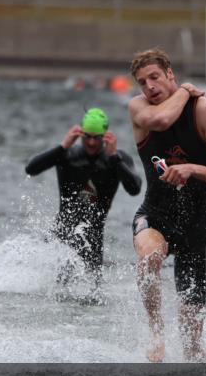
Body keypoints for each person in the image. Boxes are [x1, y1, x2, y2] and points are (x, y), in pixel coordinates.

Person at [128, 48, 206, 362]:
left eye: (155, 77)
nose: (149, 86)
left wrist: (194, 169)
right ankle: (155, 336)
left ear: (170, 75)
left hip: (197, 226)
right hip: (155, 215)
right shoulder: (139, 108)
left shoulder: (205, 111)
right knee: (150, 256)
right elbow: (162, 120)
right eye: (142, 82)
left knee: (193, 346)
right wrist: (183, 92)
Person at [25, 108, 142, 280]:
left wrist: (115, 157)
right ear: (80, 134)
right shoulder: (68, 154)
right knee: (58, 288)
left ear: (106, 136)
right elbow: (31, 169)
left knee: (93, 296)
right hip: (63, 235)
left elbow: (135, 189)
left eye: (97, 137)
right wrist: (62, 146)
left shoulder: (117, 159)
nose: (92, 143)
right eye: (87, 136)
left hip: (94, 237)